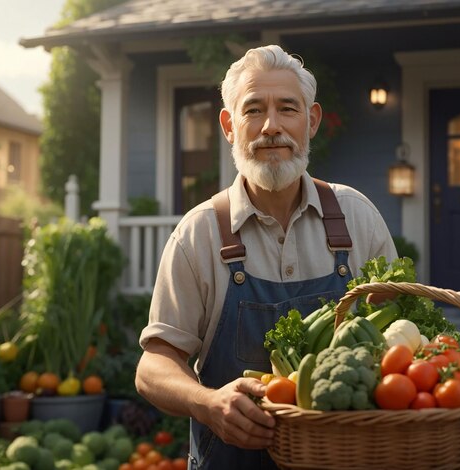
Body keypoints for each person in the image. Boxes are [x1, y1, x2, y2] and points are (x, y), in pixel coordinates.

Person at [135, 44, 397, 469]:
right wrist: (207, 403)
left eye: (288, 109)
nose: (271, 127)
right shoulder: (198, 234)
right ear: (229, 125)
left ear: (311, 121)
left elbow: (402, 340)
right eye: (253, 109)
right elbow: (153, 366)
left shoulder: (358, 218)